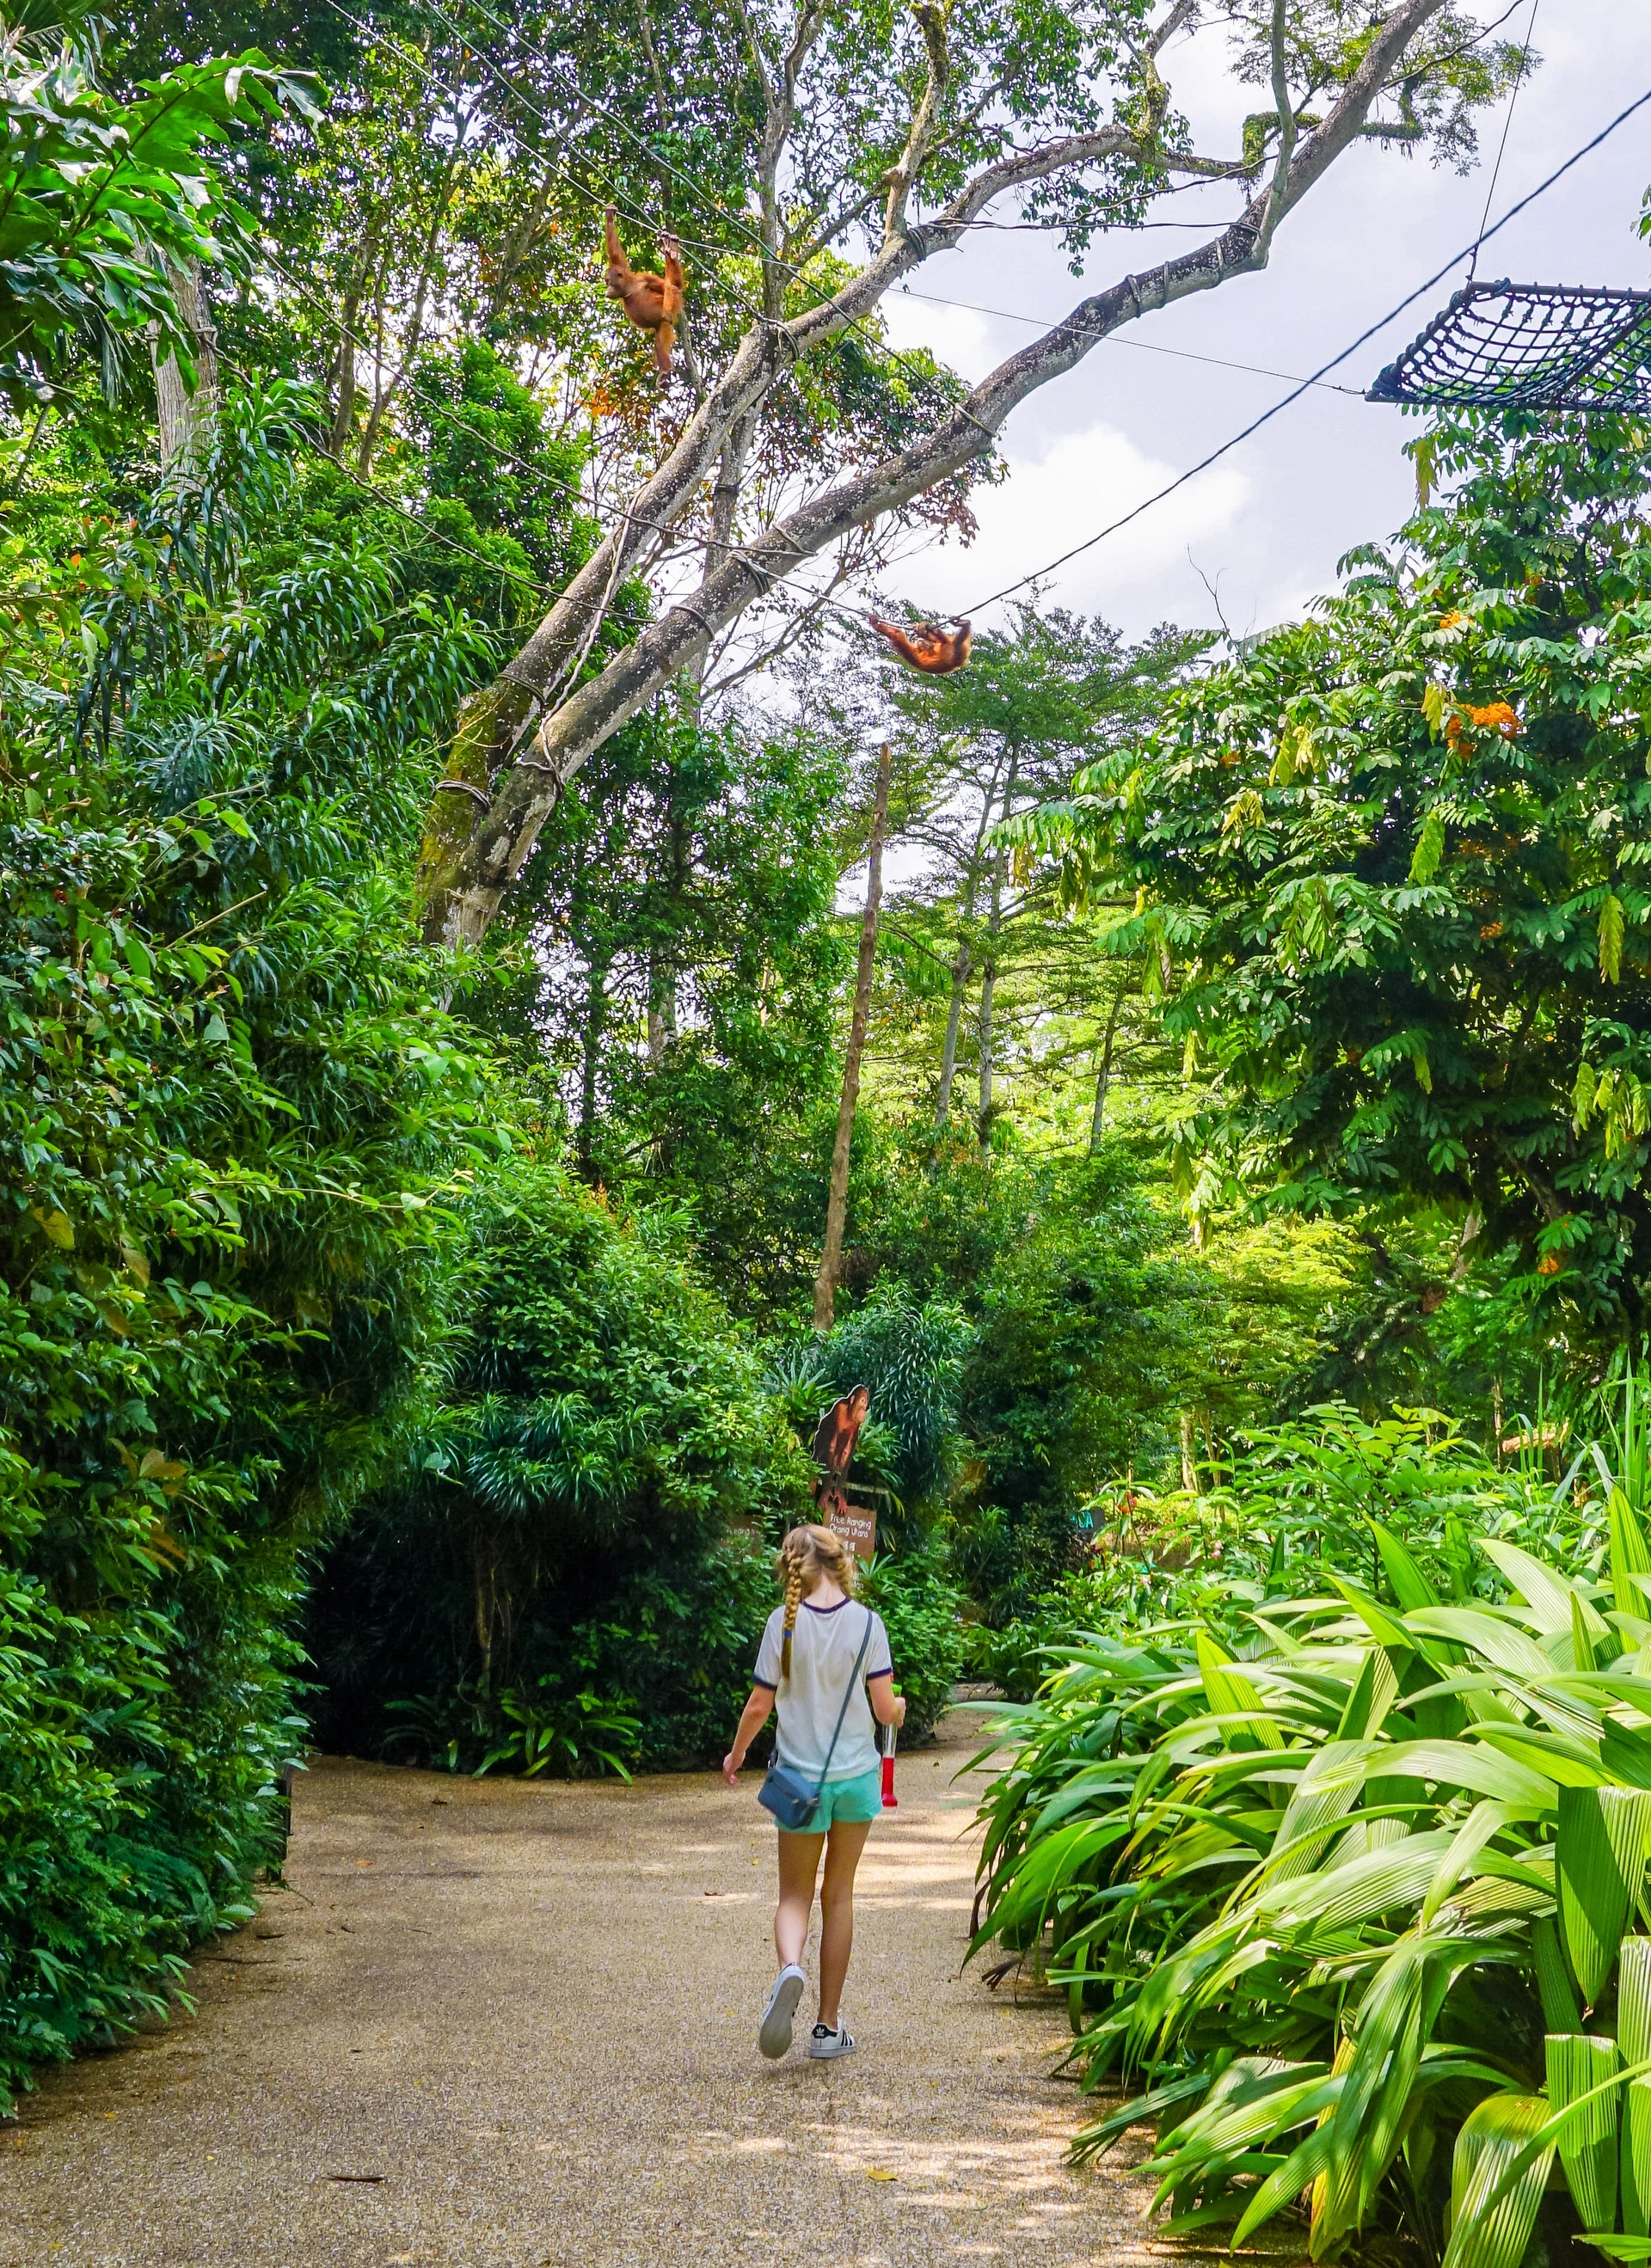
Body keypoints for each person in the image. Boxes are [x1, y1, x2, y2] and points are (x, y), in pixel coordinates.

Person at [722, 1523, 905, 2062]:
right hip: (855, 1780)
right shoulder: (869, 1625)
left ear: (792, 1568)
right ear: (840, 1561)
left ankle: (789, 1970)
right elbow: (883, 1709)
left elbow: (758, 1706)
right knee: (840, 1895)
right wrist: (899, 1710)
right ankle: (827, 2028)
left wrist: (736, 1756)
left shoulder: (783, 1623)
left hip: (799, 1782)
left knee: (794, 1896)